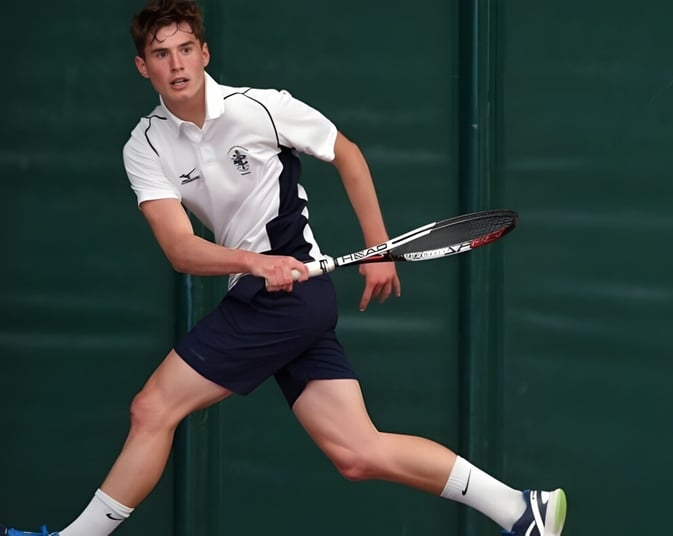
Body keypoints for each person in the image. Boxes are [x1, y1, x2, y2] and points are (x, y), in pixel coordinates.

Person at [1, 1, 567, 535]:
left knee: (153, 407)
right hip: (271, 290)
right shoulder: (144, 147)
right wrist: (255, 263)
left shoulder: (261, 107)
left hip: (291, 296)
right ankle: (521, 510)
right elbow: (180, 248)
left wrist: (379, 250)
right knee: (357, 452)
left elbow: (346, 152)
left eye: (185, 48)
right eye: (160, 53)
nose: (176, 63)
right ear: (142, 67)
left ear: (205, 53)